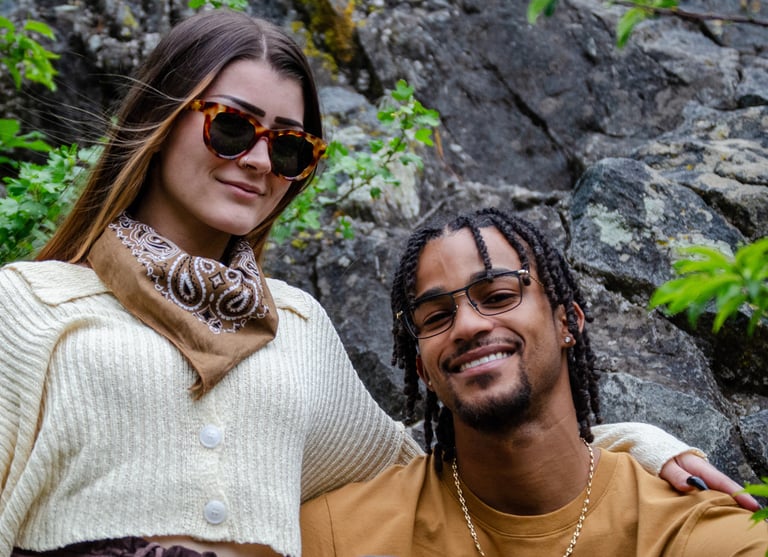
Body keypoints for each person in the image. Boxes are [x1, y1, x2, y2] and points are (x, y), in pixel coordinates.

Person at [0, 10, 753, 557]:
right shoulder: (30, 304)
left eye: (289, 147)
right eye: (231, 126)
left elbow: (434, 461)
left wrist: (632, 445)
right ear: (162, 120)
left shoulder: (296, 326)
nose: (258, 161)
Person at [300, 207, 768, 556]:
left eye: (498, 295)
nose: (467, 325)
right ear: (424, 371)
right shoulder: (338, 537)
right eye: (437, 316)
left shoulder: (694, 534)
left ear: (568, 323)